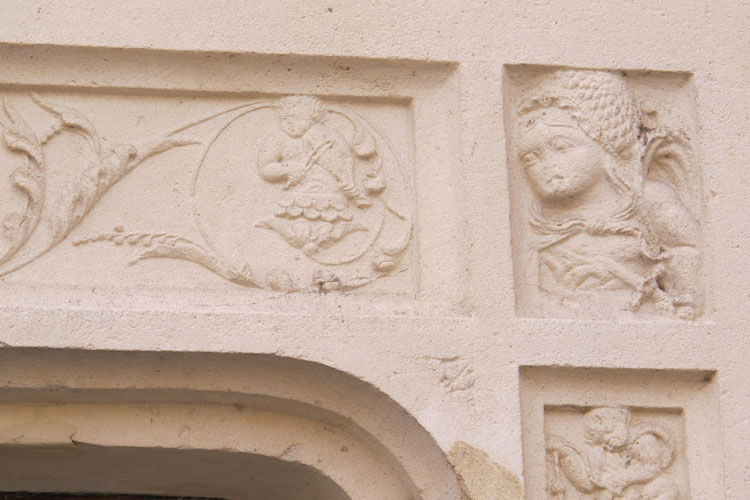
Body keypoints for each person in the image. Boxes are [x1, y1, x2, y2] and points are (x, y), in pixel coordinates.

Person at [514, 70, 700, 318]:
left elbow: (686, 248)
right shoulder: (536, 222)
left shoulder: (647, 201)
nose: (547, 165)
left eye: (561, 146)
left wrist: (683, 300)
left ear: (605, 144)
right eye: (530, 158)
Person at [256, 95, 369, 255]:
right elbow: (265, 168)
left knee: (327, 228)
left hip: (331, 199)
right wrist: (288, 168)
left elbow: (345, 159)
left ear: (313, 118)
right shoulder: (277, 139)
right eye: (284, 119)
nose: (289, 123)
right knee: (299, 227)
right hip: (296, 199)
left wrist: (349, 183)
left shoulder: (329, 136)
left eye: (296, 118)